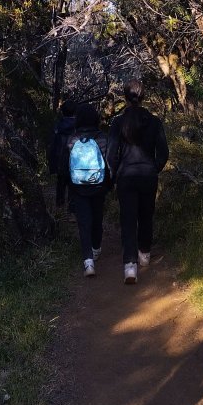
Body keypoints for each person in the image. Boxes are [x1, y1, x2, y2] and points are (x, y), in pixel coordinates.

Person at [107, 79, 169, 284]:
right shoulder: (154, 122)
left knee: (128, 218)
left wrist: (114, 173)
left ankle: (130, 266)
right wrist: (154, 168)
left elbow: (111, 154)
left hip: (126, 176)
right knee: (146, 215)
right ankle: (145, 253)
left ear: (125, 97)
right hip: (148, 175)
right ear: (143, 97)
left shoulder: (118, 122)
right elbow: (163, 152)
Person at [65, 103, 111, 277]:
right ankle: (96, 248)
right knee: (97, 218)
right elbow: (109, 162)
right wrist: (109, 184)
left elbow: (64, 166)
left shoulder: (72, 139)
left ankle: (88, 261)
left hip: (78, 186)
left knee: (84, 222)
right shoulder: (102, 138)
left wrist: (68, 186)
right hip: (98, 186)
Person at [48, 100, 77, 210]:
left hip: (60, 161)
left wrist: (52, 164)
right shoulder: (79, 127)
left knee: (60, 185)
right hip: (76, 162)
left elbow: (52, 146)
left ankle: (59, 209)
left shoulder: (58, 126)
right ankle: (72, 210)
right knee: (73, 187)